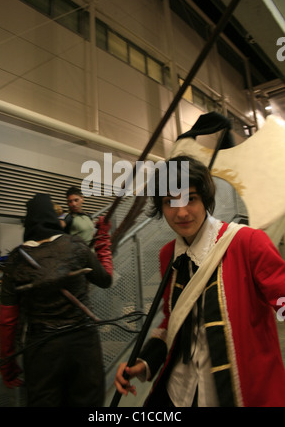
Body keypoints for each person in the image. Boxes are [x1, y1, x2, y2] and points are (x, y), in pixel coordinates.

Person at [114, 155, 285, 407]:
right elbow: (174, 318)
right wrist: (145, 361)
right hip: (178, 392)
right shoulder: (168, 255)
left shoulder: (248, 243)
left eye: (190, 198)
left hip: (238, 392)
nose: (181, 212)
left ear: (205, 199)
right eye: (170, 201)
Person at [0, 193, 113, 407]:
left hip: (42, 349)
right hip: (83, 345)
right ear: (53, 217)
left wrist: (8, 363)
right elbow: (105, 279)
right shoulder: (76, 245)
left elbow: (7, 320)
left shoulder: (16, 259)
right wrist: (103, 243)